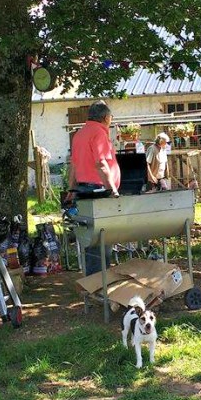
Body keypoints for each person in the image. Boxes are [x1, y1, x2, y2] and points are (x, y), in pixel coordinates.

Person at [64, 101, 121, 275]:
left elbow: (73, 166)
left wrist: (71, 190)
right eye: (111, 117)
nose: (111, 120)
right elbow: (101, 164)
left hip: (82, 190)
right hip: (98, 191)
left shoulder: (79, 134)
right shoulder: (99, 133)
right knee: (102, 238)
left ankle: (94, 281)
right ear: (105, 117)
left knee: (90, 238)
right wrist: (112, 190)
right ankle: (100, 283)